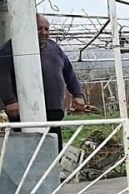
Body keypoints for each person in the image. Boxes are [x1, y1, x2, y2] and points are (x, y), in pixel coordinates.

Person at [0, 13, 85, 150]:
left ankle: (53, 169)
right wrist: (10, 100)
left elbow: (69, 72)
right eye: (39, 29)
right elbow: (2, 75)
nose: (43, 33)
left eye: (46, 29)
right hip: (24, 112)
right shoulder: (11, 48)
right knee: (28, 150)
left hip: (53, 110)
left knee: (53, 148)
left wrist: (78, 95)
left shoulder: (54, 49)